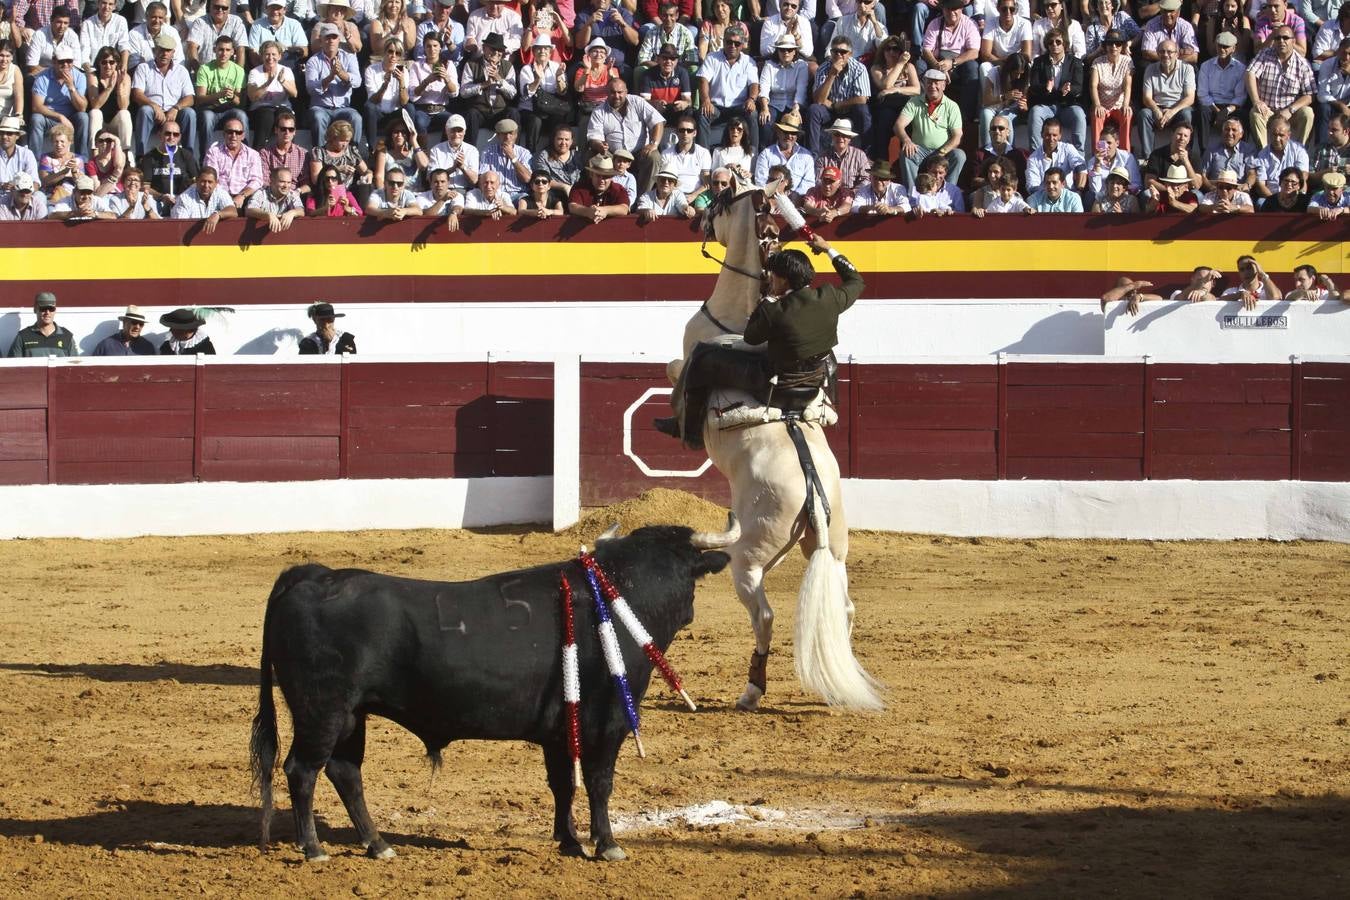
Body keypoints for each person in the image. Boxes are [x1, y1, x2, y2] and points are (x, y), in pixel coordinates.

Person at [744, 232, 862, 388]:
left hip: (782, 379)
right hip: (818, 373)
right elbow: (856, 281)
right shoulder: (829, 297)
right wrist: (827, 249)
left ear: (784, 280)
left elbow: (750, 338)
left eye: (774, 275)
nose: (771, 278)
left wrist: (768, 299)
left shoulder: (773, 310)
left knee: (715, 359)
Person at [1244, 25, 1315, 147]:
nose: (1281, 41)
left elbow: (1310, 95)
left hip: (1290, 113)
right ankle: (1265, 154)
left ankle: (1298, 152)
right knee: (1255, 112)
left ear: (1293, 41)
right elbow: (1249, 73)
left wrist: (1290, 110)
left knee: (1307, 112)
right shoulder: (1265, 53)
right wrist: (1256, 101)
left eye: (1285, 38)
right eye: (1277, 38)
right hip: (1268, 111)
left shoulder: (1303, 64)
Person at [896, 68, 964, 188]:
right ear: (924, 84)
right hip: (920, 151)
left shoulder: (952, 106)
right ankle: (913, 196)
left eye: (936, 83)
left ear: (944, 85)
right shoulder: (914, 102)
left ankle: (948, 192)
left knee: (959, 155)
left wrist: (942, 152)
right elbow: (898, 125)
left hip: (943, 151)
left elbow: (957, 136)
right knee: (906, 153)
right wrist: (907, 141)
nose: (932, 86)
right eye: (929, 82)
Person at [131, 32, 196, 157]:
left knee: (190, 113)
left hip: (174, 114)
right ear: (155, 50)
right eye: (162, 50)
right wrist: (153, 106)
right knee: (145, 110)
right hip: (153, 114)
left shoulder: (181, 71)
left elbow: (190, 98)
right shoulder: (143, 68)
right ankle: (140, 157)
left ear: (173, 52)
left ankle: (189, 157)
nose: (165, 54)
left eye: (168, 51)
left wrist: (176, 108)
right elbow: (137, 94)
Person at [696, 21, 758, 149]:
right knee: (703, 114)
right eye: (729, 42)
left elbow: (754, 84)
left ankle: (754, 154)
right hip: (716, 107)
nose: (732, 46)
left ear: (742, 45)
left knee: (752, 113)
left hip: (739, 108)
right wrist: (706, 100)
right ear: (723, 42)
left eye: (737, 43)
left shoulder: (748, 61)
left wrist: (751, 99)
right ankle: (704, 159)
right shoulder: (712, 57)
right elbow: (703, 80)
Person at [808, 35, 872, 155]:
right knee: (814, 110)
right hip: (830, 111)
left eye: (843, 52)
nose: (838, 55)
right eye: (835, 51)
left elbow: (862, 98)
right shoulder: (823, 68)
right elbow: (818, 100)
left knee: (863, 111)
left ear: (850, 54)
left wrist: (838, 104)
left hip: (849, 110)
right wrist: (832, 75)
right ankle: (814, 155)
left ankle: (866, 155)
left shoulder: (859, 68)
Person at [304, 22, 362, 149]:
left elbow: (357, 81)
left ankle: (353, 155)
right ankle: (319, 156)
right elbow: (311, 89)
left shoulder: (349, 57)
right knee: (318, 117)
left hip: (343, 107)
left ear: (339, 40)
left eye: (334, 37)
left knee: (356, 117)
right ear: (321, 41)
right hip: (321, 107)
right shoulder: (313, 61)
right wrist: (330, 77)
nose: (331, 40)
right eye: (327, 37)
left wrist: (342, 74)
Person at [1028, 28, 1087, 151]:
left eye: (1058, 42)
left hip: (1067, 105)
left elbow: (1079, 87)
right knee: (1035, 113)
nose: (1054, 45)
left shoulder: (1075, 62)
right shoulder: (1039, 62)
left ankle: (1079, 157)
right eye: (1051, 42)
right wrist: (1045, 87)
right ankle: (1036, 154)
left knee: (1079, 114)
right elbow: (1033, 86)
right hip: (1046, 105)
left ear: (1064, 43)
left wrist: (1069, 90)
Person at [1139, 40, 1195, 158]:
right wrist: (1156, 110)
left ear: (1177, 54)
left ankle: (1183, 154)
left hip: (1178, 109)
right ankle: (1147, 158)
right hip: (1158, 108)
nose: (1165, 55)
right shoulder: (1150, 69)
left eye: (1170, 52)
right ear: (1158, 54)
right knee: (1144, 114)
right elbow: (1147, 98)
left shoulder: (1187, 69)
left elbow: (1190, 98)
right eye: (1162, 51)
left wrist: (1171, 112)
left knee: (1187, 113)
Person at [30, 45, 89, 154]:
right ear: (54, 61)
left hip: (71, 117)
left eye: (69, 61)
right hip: (50, 118)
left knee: (83, 117)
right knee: (36, 119)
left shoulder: (79, 76)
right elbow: (36, 106)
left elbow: (82, 107)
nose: (66, 65)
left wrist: (71, 87)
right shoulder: (42, 77)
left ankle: (82, 160)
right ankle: (34, 161)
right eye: (62, 61)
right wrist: (60, 117)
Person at [459, 31, 517, 140]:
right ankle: (470, 153)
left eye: (500, 50)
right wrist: (484, 84)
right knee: (471, 114)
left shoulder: (508, 66)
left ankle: (515, 151)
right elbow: (463, 92)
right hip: (480, 112)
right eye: (493, 49)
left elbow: (512, 94)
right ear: (484, 48)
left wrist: (499, 80)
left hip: (499, 113)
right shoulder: (471, 64)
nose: (496, 52)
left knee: (513, 113)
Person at [1197, 30, 1247, 151]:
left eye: (1226, 47)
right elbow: (1202, 93)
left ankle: (1242, 152)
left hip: (1231, 106)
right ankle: (1204, 151)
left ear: (1233, 48)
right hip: (1212, 105)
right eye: (1219, 45)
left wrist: (1227, 110)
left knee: (1244, 115)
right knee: (1202, 112)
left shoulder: (1241, 68)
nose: (1222, 49)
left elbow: (1240, 96)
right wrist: (1217, 111)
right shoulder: (1206, 66)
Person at [757, 34, 809, 149]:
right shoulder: (769, 65)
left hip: (793, 104)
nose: (786, 52)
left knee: (796, 124)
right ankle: (764, 153)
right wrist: (764, 108)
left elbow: (801, 89)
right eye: (782, 50)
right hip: (774, 104)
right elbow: (764, 88)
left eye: (789, 50)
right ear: (778, 51)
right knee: (765, 122)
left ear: (795, 51)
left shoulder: (801, 66)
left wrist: (796, 108)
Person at [203, 112, 262, 209]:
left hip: (245, 198)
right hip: (219, 197)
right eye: (230, 132)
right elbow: (211, 179)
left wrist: (242, 196)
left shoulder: (253, 155)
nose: (234, 135)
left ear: (243, 135)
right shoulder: (213, 152)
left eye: (238, 132)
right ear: (224, 134)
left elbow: (257, 181)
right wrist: (226, 198)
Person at [246, 40, 298, 147]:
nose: (270, 58)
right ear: (262, 56)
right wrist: (267, 83)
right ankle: (258, 152)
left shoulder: (286, 70)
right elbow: (252, 96)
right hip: (260, 108)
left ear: (279, 56)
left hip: (282, 107)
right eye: (267, 54)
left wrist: (283, 81)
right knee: (267, 115)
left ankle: (288, 152)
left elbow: (294, 93)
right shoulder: (255, 72)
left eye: (273, 54)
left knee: (285, 118)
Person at [753, 106, 814, 196]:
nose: (789, 136)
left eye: (793, 133)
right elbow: (760, 181)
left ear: (797, 135)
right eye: (785, 131)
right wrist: (775, 194)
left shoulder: (807, 156)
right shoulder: (766, 154)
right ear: (778, 132)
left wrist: (795, 195)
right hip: (770, 198)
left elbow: (809, 183)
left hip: (797, 201)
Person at [141, 117, 199, 211]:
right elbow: (145, 187)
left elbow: (196, 183)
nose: (171, 137)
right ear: (160, 135)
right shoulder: (149, 157)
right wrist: (162, 197)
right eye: (167, 133)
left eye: (175, 134)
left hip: (181, 201)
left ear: (179, 137)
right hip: (157, 201)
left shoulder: (186, 155)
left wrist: (181, 197)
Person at [87, 46, 132, 156]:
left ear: (117, 63)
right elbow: (95, 105)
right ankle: (94, 153)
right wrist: (109, 88)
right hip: (100, 121)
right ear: (99, 63)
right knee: (95, 113)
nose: (108, 66)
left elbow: (124, 106)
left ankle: (125, 153)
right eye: (104, 62)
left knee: (124, 114)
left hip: (115, 122)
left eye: (112, 62)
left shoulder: (124, 77)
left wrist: (120, 86)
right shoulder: (93, 76)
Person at [1247, 116, 1309, 197]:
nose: (1277, 139)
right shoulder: (1262, 155)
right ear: (1269, 134)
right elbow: (1261, 185)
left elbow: (1303, 176)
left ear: (1288, 135)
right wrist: (1275, 202)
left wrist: (1293, 199)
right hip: (1271, 197)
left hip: (1294, 196)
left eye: (1281, 135)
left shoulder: (1299, 150)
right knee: (1260, 203)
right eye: (1274, 134)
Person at [660, 113, 709, 206]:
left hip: (696, 196)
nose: (685, 133)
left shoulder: (703, 153)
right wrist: (679, 197)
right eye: (682, 130)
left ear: (695, 133)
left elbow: (706, 183)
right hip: (673, 195)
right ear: (676, 131)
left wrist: (693, 195)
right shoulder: (666, 153)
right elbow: (664, 180)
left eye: (689, 130)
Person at [1025, 116, 1085, 193]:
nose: (1051, 138)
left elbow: (1081, 168)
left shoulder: (1068, 148)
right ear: (1042, 134)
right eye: (1048, 135)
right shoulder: (1033, 158)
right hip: (1044, 197)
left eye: (1054, 135)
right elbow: (1032, 187)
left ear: (1060, 136)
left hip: (1068, 195)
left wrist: (1079, 191)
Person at [8, 291, 77, 357]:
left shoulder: (67, 336)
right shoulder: (23, 337)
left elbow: (75, 366)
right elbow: (12, 366)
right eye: (43, 308)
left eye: (51, 309)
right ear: (35, 309)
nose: (47, 312)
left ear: (55, 310)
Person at [170, 165, 238, 230]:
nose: (206, 185)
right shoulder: (184, 198)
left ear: (216, 183)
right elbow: (180, 226)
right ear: (196, 180)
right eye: (203, 181)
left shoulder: (220, 192)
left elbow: (233, 211)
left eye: (210, 182)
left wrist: (217, 215)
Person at [567, 153, 629, 221]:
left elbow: (624, 208)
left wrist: (605, 210)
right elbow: (572, 206)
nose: (601, 180)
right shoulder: (579, 187)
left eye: (606, 177)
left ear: (611, 177)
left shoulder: (619, 190)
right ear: (591, 175)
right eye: (598, 176)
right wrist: (588, 211)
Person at [426, 113, 479, 193]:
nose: (456, 134)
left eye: (459, 131)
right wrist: (453, 168)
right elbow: (430, 178)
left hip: (466, 191)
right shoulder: (436, 150)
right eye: (452, 131)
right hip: (442, 192)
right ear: (446, 131)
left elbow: (474, 180)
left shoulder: (472, 150)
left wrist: (463, 167)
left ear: (464, 132)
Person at [245, 163, 303, 230]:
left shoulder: (292, 194)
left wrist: (292, 213)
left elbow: (301, 210)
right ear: (272, 181)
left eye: (289, 182)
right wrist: (269, 215)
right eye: (282, 182)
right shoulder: (261, 193)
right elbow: (249, 210)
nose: (286, 186)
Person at [815, 117, 867, 190]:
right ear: (832, 136)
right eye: (837, 134)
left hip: (853, 196)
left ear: (850, 138)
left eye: (844, 135)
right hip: (828, 195)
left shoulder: (860, 156)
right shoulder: (822, 157)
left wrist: (854, 192)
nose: (840, 138)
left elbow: (866, 179)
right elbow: (818, 181)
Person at [0, 115, 39, 202]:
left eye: (9, 133)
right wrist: (1, 185)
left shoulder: (27, 154)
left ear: (17, 136)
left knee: (39, 196)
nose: (4, 136)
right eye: (2, 133)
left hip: (21, 197)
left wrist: (20, 186)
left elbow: (35, 183)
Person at [1099, 275, 1164, 316]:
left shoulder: (1136, 300)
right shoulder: (1111, 304)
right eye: (1128, 289)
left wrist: (1140, 297)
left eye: (1134, 289)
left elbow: (1160, 299)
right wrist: (1132, 286)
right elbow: (1105, 299)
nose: (1133, 292)